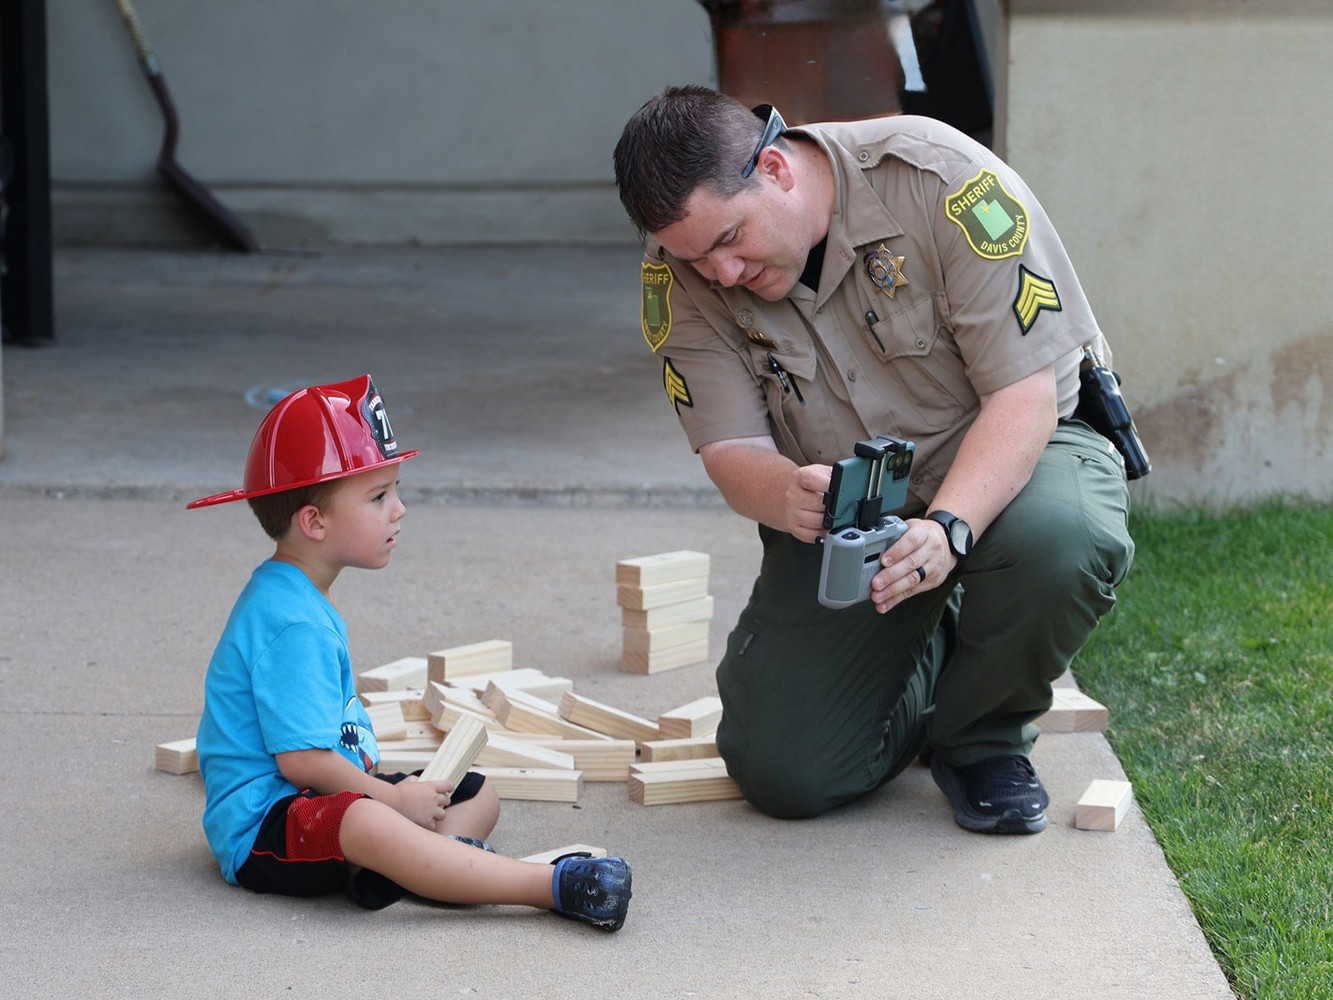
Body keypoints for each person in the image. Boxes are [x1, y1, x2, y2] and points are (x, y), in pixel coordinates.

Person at [613, 86, 1135, 834]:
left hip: (1009, 455)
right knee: (783, 772)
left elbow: (1023, 393)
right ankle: (936, 646)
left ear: (775, 168)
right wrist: (787, 493)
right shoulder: (678, 270)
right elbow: (729, 449)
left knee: (1061, 537)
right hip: (855, 510)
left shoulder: (943, 180)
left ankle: (978, 739)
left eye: (731, 240)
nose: (721, 274)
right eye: (698, 259)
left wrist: (950, 527)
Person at [188, 374, 631, 928]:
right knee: (371, 824)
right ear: (314, 521)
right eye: (378, 497)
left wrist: (395, 798)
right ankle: (548, 885)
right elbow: (301, 762)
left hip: (327, 798)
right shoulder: (290, 623)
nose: (399, 510)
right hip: (267, 827)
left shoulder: (296, 595)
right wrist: (390, 802)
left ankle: (423, 867)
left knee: (472, 791)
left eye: (394, 490)